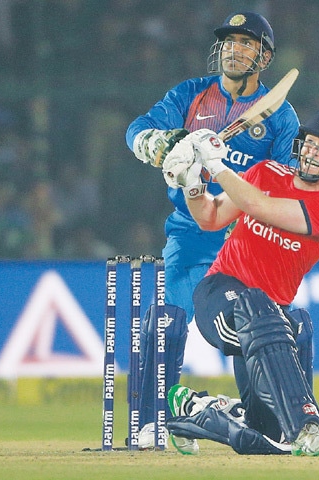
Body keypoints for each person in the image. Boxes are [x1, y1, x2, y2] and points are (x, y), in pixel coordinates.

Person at [124, 12, 299, 449]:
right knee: (170, 317)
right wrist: (168, 144)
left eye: (245, 43)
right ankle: (155, 419)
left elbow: (283, 184)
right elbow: (136, 130)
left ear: (264, 56)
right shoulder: (191, 94)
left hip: (244, 237)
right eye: (228, 42)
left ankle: (260, 418)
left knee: (249, 330)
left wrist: (225, 175)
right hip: (190, 230)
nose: (233, 50)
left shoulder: (280, 118)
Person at [159, 107, 319, 456]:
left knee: (265, 437)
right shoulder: (264, 172)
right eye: (310, 142)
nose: (313, 152)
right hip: (220, 294)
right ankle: (307, 426)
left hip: (268, 320)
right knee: (257, 304)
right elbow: (210, 217)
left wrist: (217, 166)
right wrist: (192, 182)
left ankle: (194, 410)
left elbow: (262, 207)